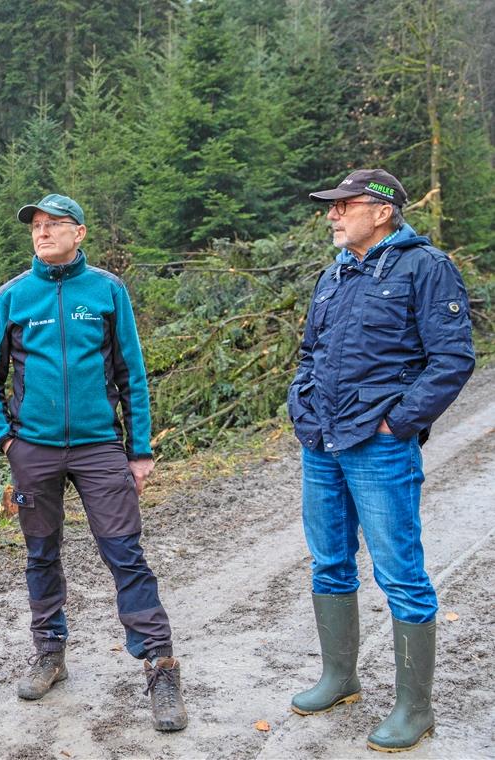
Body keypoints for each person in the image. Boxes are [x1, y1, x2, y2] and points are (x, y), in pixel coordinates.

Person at [0, 194, 187, 732]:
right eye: (36, 227)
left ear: (80, 233)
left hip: (99, 448)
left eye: (54, 225)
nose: (42, 233)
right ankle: (50, 652)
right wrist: (7, 441)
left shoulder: (108, 292)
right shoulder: (13, 296)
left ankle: (159, 666)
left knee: (125, 553)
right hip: (33, 452)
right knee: (41, 553)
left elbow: (132, 374)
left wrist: (139, 451)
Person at [287, 169, 474, 752]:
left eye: (345, 205)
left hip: (379, 446)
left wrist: (399, 423)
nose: (333, 215)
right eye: (332, 206)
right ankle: (340, 678)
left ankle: (414, 710)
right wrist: (302, 403)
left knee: (400, 574)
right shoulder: (336, 273)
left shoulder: (426, 267)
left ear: (384, 211)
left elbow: (452, 359)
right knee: (329, 562)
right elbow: (309, 351)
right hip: (322, 442)